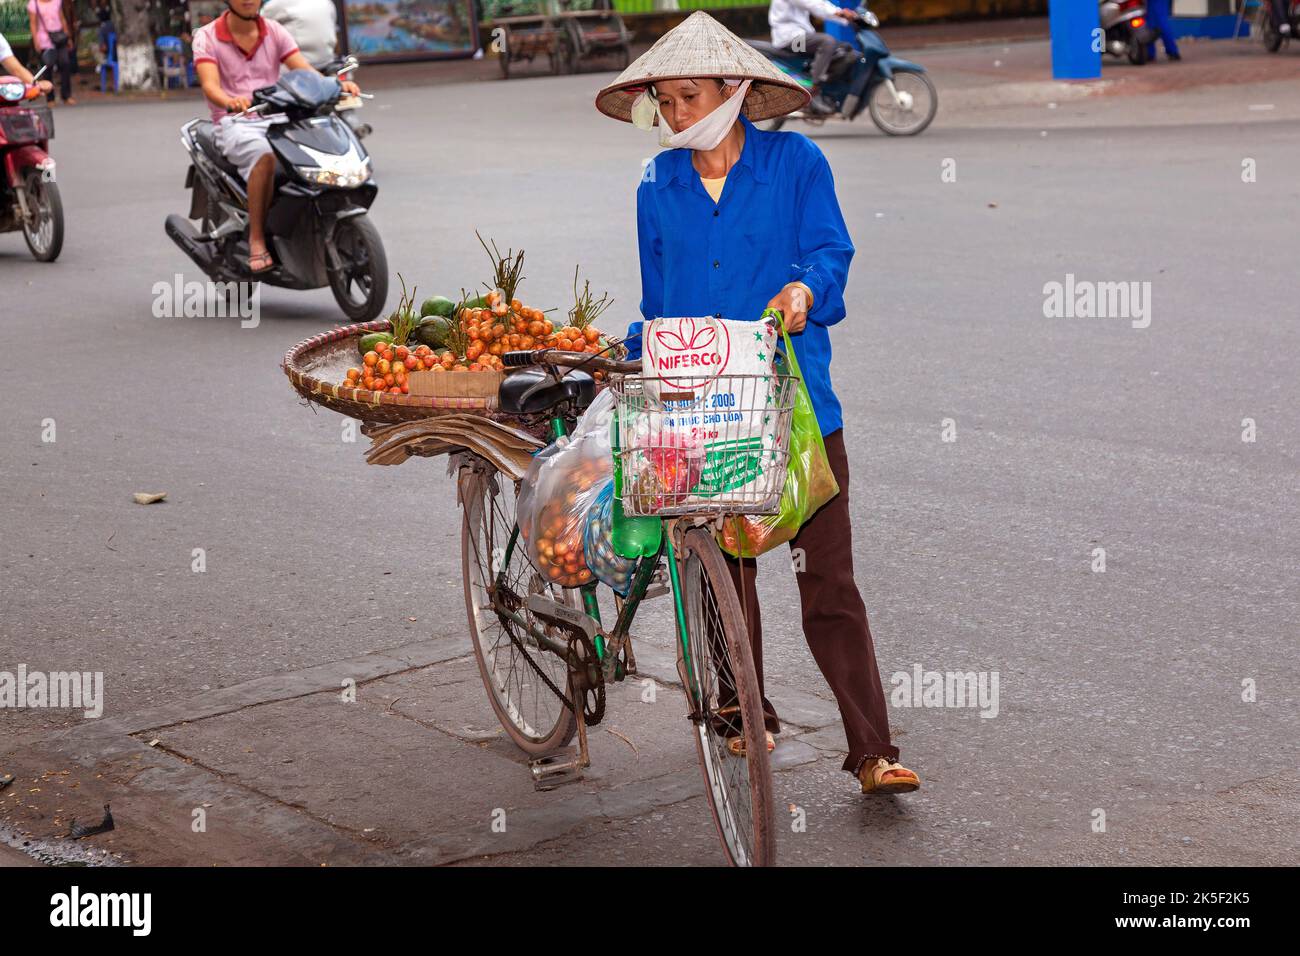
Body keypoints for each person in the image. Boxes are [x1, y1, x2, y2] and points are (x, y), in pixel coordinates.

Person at [595, 11, 921, 796]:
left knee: (829, 584)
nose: (675, 115)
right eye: (664, 103)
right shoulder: (657, 182)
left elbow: (830, 249)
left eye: (687, 96)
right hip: (697, 412)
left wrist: (807, 288)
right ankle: (743, 710)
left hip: (798, 408)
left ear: (733, 91)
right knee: (719, 577)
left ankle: (873, 750)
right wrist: (632, 358)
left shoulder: (796, 162)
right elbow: (658, 295)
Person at [192, 0, 359, 273]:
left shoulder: (274, 31)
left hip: (277, 116)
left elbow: (303, 69)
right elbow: (210, 85)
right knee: (264, 156)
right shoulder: (207, 36)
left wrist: (334, 86)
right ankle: (257, 239)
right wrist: (230, 100)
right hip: (235, 122)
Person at [768, 0, 859, 115]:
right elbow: (812, 3)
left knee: (843, 49)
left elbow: (820, 3)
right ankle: (813, 89)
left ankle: (828, 90)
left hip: (801, 35)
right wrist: (839, 13)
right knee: (827, 42)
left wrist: (843, 15)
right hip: (790, 39)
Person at [261, 0, 339, 69]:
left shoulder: (276, 4)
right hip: (328, 62)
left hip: (297, 70)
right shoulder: (327, 3)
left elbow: (257, 26)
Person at [27, 0, 74, 104]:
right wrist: (36, 41)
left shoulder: (57, 1)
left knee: (65, 63)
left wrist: (68, 37)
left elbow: (62, 19)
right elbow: (33, 23)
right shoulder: (34, 4)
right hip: (44, 39)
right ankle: (50, 98)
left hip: (59, 37)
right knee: (47, 68)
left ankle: (66, 96)